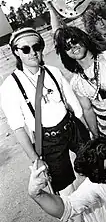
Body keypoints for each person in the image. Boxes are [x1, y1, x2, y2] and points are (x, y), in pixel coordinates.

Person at [0, 27, 90, 195]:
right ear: (16, 52)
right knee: (66, 191)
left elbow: (75, 107)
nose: (33, 52)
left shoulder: (53, 71)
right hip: (48, 140)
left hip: (71, 127)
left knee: (94, 169)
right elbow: (18, 128)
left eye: (36, 47)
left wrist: (86, 133)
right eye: (25, 49)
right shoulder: (10, 87)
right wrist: (36, 160)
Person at [54, 26, 106, 138]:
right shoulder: (76, 82)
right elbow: (88, 110)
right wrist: (96, 137)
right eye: (67, 47)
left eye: (74, 41)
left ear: (83, 39)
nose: (73, 47)